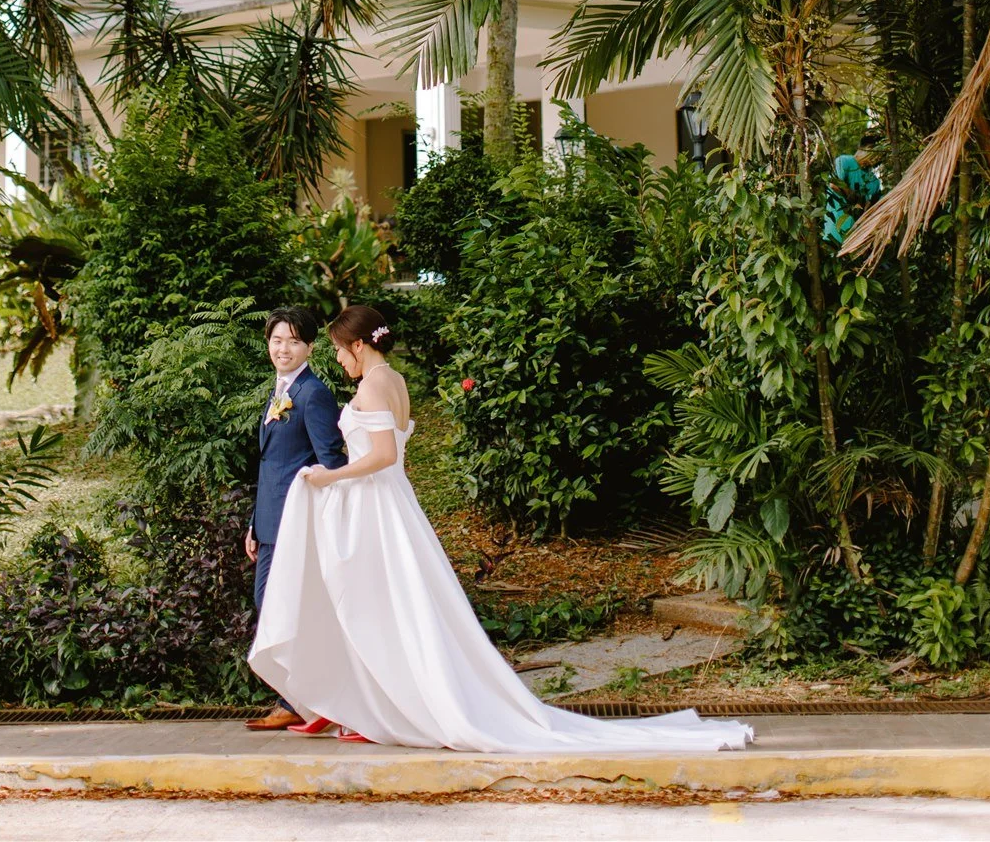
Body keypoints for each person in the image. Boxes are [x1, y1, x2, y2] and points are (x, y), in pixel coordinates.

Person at [250, 303, 754, 754]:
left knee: (377, 608)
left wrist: (328, 475)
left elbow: (381, 456)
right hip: (390, 506)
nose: (339, 360)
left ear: (358, 345)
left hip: (374, 508)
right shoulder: (396, 381)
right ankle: (378, 702)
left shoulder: (375, 384)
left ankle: (389, 704)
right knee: (391, 608)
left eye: (340, 350)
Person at [244, 304, 346, 732]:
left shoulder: (313, 393)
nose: (282, 348)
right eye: (276, 340)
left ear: (310, 346)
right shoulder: (281, 387)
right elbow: (271, 462)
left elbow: (331, 462)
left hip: (297, 523)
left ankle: (302, 701)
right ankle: (305, 700)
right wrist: (254, 521)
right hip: (270, 521)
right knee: (268, 604)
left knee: (281, 606)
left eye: (293, 341)